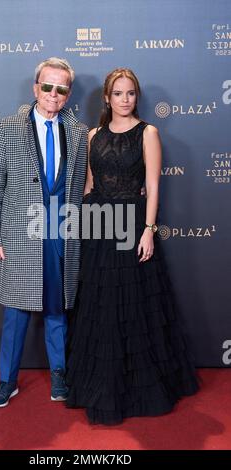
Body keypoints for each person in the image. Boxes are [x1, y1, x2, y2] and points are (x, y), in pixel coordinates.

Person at [65, 68, 199, 425]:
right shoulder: (93, 134)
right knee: (100, 304)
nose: (125, 100)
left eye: (130, 93)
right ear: (106, 98)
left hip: (132, 224)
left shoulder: (148, 133)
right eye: (118, 94)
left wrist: (148, 230)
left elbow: (153, 187)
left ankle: (135, 387)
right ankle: (99, 383)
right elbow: (89, 185)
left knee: (135, 307)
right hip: (98, 226)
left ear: (136, 97)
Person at [0, 57, 88, 407]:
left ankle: (59, 374)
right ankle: (6, 380)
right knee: (16, 310)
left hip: (62, 228)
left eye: (61, 88)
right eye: (47, 86)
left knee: (58, 307)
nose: (53, 94)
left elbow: (83, 186)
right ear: (35, 88)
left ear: (68, 94)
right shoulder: (8, 127)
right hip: (19, 232)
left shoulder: (77, 131)